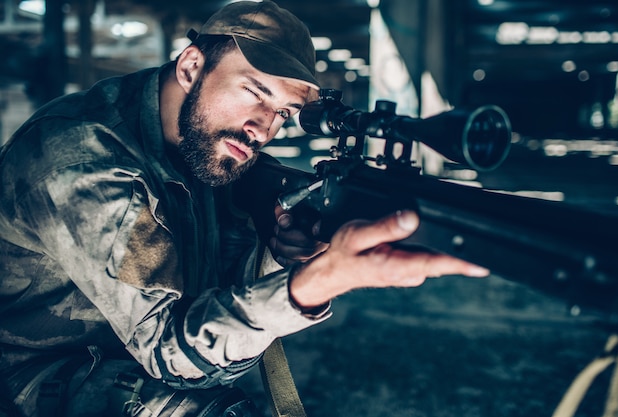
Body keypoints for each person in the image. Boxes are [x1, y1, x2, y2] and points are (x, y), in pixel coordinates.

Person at [0, 1, 489, 416]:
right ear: (191, 67)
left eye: (282, 113)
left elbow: (218, 292)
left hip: (116, 352)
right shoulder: (85, 162)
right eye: (254, 92)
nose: (262, 127)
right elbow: (176, 357)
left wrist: (281, 254)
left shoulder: (209, 147)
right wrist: (313, 284)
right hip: (33, 370)